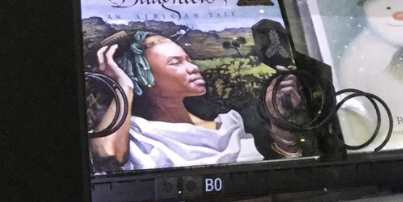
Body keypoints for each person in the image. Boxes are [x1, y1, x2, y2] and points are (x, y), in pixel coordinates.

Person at [91, 28, 299, 169]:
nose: (193, 68)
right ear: (144, 77)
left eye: (189, 60)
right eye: (176, 63)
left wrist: (280, 121)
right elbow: (107, 157)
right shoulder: (134, 133)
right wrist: (123, 84)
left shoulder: (232, 124)